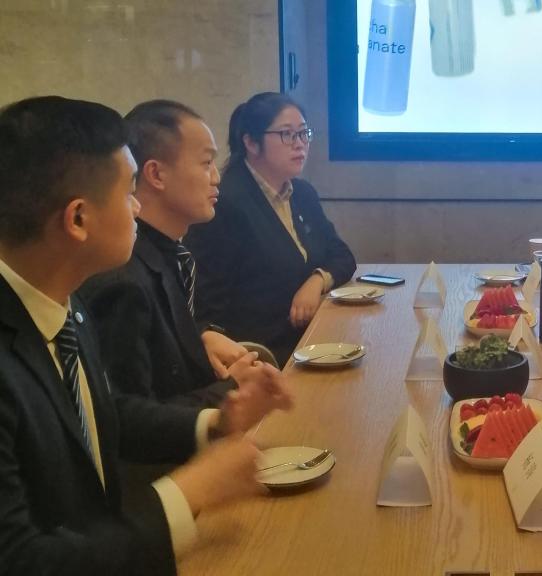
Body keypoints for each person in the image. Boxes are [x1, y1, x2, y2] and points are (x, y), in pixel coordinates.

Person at [0, 96, 293, 574]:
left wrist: (214, 423)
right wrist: (188, 492)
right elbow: (21, 560)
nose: (137, 207)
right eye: (127, 192)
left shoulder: (63, 304)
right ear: (78, 219)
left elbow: (104, 414)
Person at [81, 100, 257, 407]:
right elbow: (127, 416)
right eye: (206, 162)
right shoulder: (123, 277)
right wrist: (231, 388)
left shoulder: (169, 253)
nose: (216, 177)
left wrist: (200, 335)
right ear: (156, 174)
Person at [185, 92, 357, 363]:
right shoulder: (225, 204)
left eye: (303, 133)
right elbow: (209, 311)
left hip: (312, 338)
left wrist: (316, 281)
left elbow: (342, 256)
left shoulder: (302, 193)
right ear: (251, 143)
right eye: (287, 134)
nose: (299, 144)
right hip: (263, 355)